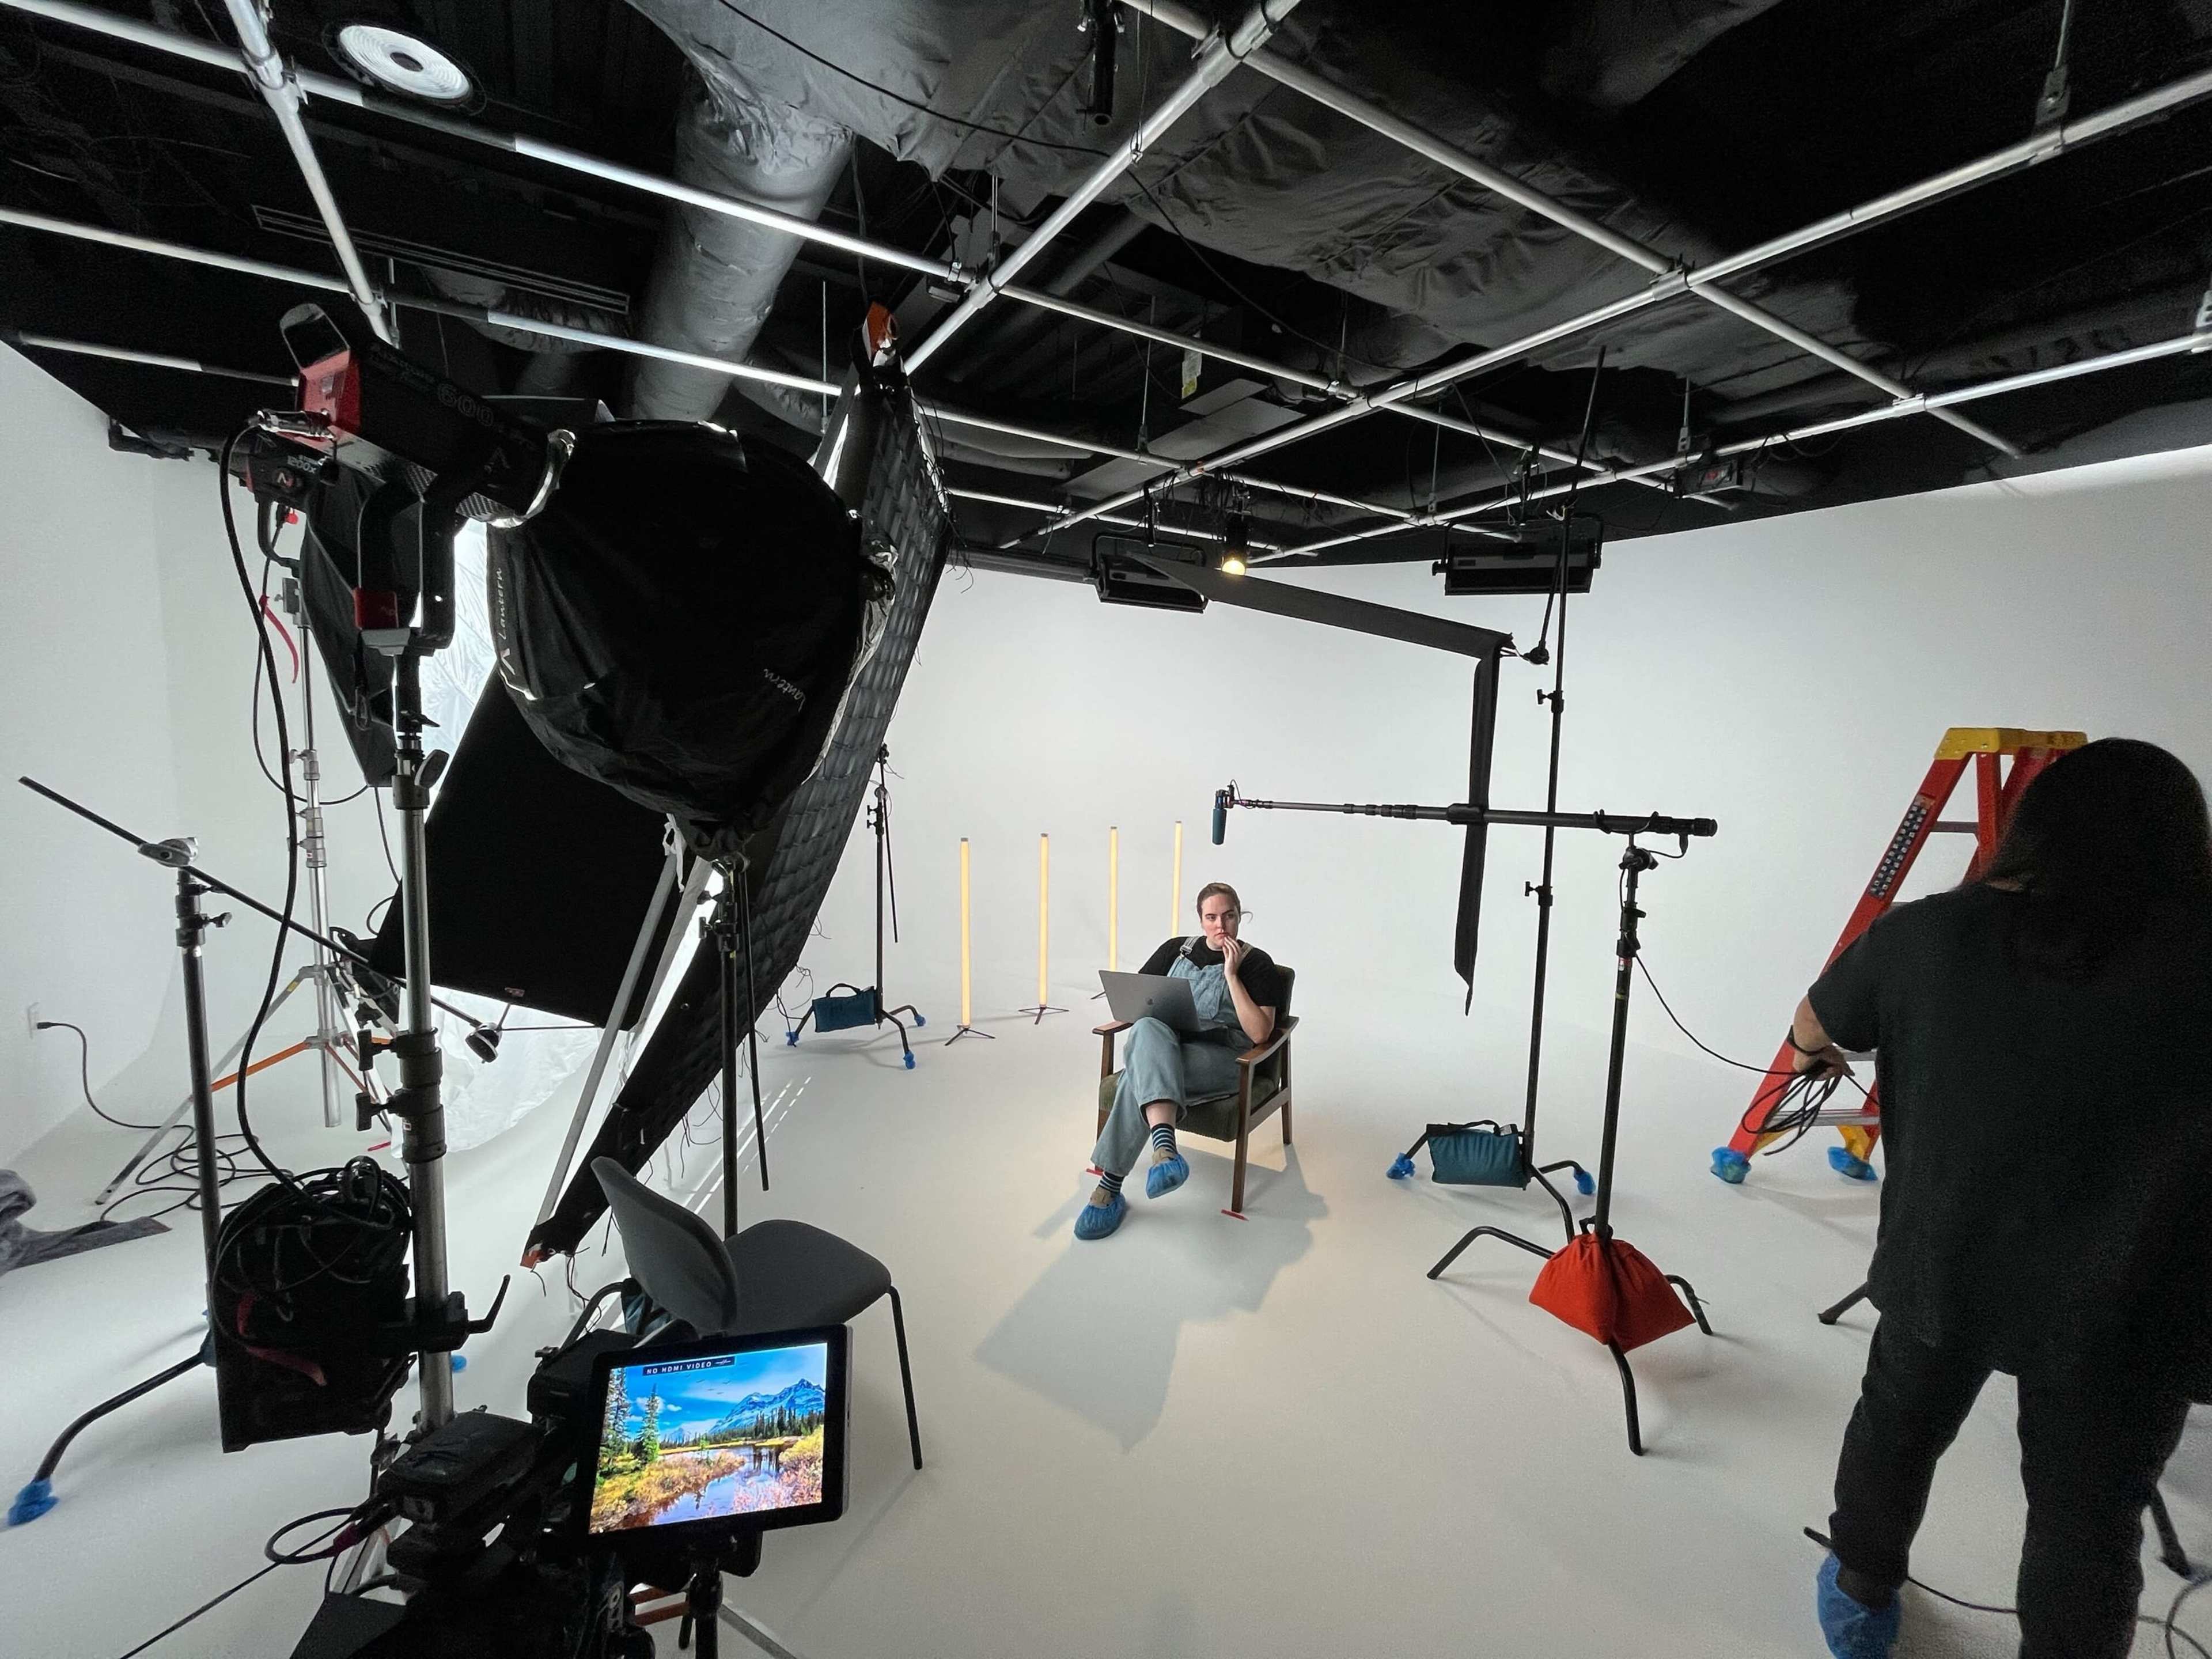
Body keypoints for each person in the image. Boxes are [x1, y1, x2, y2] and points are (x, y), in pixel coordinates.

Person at [1794, 738, 2212, 1659]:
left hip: (1948, 1262)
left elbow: (1815, 1023)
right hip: (2133, 1301)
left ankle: (1860, 1597)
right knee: (2088, 1526)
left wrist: (1822, 1052)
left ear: (2036, 827)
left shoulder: (1928, 934)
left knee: (1896, 1434)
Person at [1074, 881, 1285, 1241]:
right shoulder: (1176, 950)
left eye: (1229, 916)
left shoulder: (1257, 964)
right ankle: (1165, 1151)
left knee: (1139, 1076)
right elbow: (1136, 1002)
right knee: (1146, 1030)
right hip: (1168, 1047)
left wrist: (1232, 975)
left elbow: (1260, 1034)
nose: (1221, 925)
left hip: (1225, 1058)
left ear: (1240, 917)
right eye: (1212, 917)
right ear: (1201, 920)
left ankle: (1110, 1187)